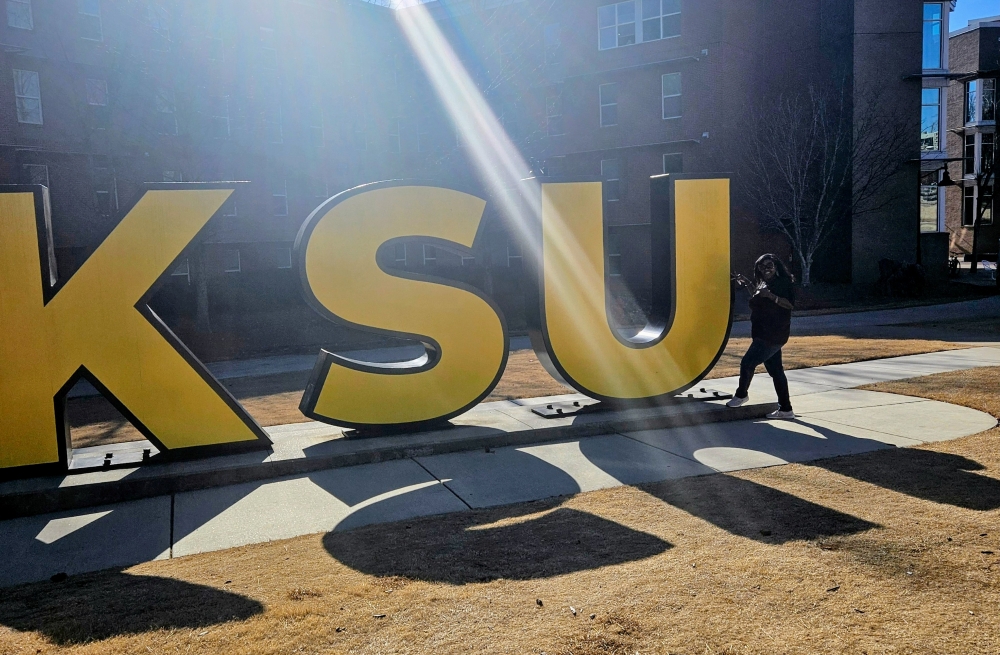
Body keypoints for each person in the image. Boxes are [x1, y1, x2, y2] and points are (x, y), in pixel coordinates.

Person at [727, 254, 796, 418]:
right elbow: (759, 298)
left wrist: (771, 296)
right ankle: (786, 409)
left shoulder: (783, 283)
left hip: (773, 334)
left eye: (769, 265)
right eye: (762, 266)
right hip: (762, 332)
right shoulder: (763, 283)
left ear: (776, 266)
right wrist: (748, 284)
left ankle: (741, 395)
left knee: (747, 363)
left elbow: (790, 304)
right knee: (776, 372)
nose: (766, 269)